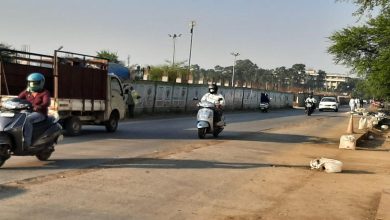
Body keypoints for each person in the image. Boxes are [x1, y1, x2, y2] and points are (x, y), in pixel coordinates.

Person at [18, 72, 51, 147]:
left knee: (27, 120)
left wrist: (39, 106)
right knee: (17, 117)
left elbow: (46, 103)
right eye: (31, 82)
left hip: (39, 113)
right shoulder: (27, 92)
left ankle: (27, 142)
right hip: (27, 111)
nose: (32, 84)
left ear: (41, 83)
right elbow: (18, 99)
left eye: (35, 83)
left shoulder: (45, 92)